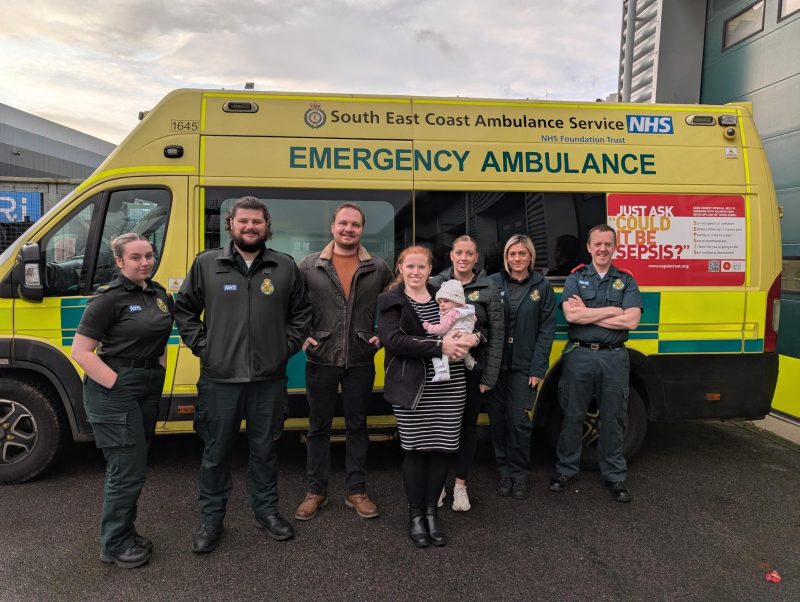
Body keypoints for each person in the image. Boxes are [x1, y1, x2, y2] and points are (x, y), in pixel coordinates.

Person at [174, 196, 311, 553]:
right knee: (216, 453)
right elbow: (185, 310)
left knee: (265, 451)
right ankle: (211, 520)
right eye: (243, 222)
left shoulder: (284, 267)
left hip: (269, 381)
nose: (250, 227)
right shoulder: (207, 264)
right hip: (220, 381)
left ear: (267, 227)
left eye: (257, 222)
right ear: (230, 225)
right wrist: (205, 347)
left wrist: (285, 347)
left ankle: (266, 512)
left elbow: (301, 314)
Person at [71, 233, 173, 569]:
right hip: (116, 389)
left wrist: (157, 376)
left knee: (136, 467)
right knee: (125, 472)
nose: (145, 262)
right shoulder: (107, 300)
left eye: (149, 255)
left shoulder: (159, 295)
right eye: (136, 257)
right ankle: (113, 545)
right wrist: (117, 384)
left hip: (146, 386)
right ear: (119, 262)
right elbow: (82, 352)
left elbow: (160, 343)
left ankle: (125, 532)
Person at [295, 202, 392, 521]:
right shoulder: (309, 265)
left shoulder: (378, 267)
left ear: (362, 229)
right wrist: (301, 336)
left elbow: (396, 303)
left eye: (355, 224)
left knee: (357, 426)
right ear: (332, 226)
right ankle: (316, 492)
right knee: (318, 427)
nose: (348, 229)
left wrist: (383, 334)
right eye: (343, 223)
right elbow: (289, 307)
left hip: (361, 358)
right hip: (321, 358)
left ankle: (356, 491)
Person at [378, 246, 477, 547]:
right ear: (401, 267)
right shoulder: (390, 299)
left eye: (422, 266)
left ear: (430, 268)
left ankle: (432, 513)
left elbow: (472, 322)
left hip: (450, 387)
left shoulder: (446, 292)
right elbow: (393, 340)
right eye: (410, 266)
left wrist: (475, 337)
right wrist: (439, 346)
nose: (416, 272)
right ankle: (415, 514)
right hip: (413, 387)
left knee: (443, 449)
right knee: (416, 450)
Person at [549, 224, 642, 503]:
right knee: (572, 415)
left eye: (607, 244)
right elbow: (572, 317)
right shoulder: (576, 278)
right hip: (579, 355)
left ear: (615, 247)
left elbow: (632, 321)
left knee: (613, 417)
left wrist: (589, 313)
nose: (602, 249)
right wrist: (613, 310)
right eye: (597, 244)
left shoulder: (626, 280)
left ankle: (615, 477)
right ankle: (566, 471)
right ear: (589, 247)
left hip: (614, 356)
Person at [429, 235, 504, 512]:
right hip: (441, 370)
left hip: (473, 370)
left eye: (469, 253)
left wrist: (489, 376)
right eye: (458, 252)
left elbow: (497, 332)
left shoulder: (489, 287)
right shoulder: (435, 283)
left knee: (467, 429)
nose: (463, 257)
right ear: (451, 255)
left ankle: (460, 486)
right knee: (439, 429)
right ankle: (437, 485)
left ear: (476, 257)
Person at [486, 234, 556, 500]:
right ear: (506, 257)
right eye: (512, 254)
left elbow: (546, 332)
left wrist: (538, 369)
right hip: (495, 367)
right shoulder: (493, 283)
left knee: (519, 423)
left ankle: (520, 475)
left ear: (530, 257)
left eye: (522, 254)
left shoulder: (543, 287)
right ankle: (504, 474)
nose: (517, 258)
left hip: (524, 368)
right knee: (499, 422)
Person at [422, 279, 477, 382]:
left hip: (453, 341)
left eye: (446, 301)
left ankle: (442, 372)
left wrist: (429, 327)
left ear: (457, 302)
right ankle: (469, 361)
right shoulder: (467, 312)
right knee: (463, 349)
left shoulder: (450, 313)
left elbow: (443, 329)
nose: (442, 305)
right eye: (440, 302)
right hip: (464, 342)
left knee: (437, 351)